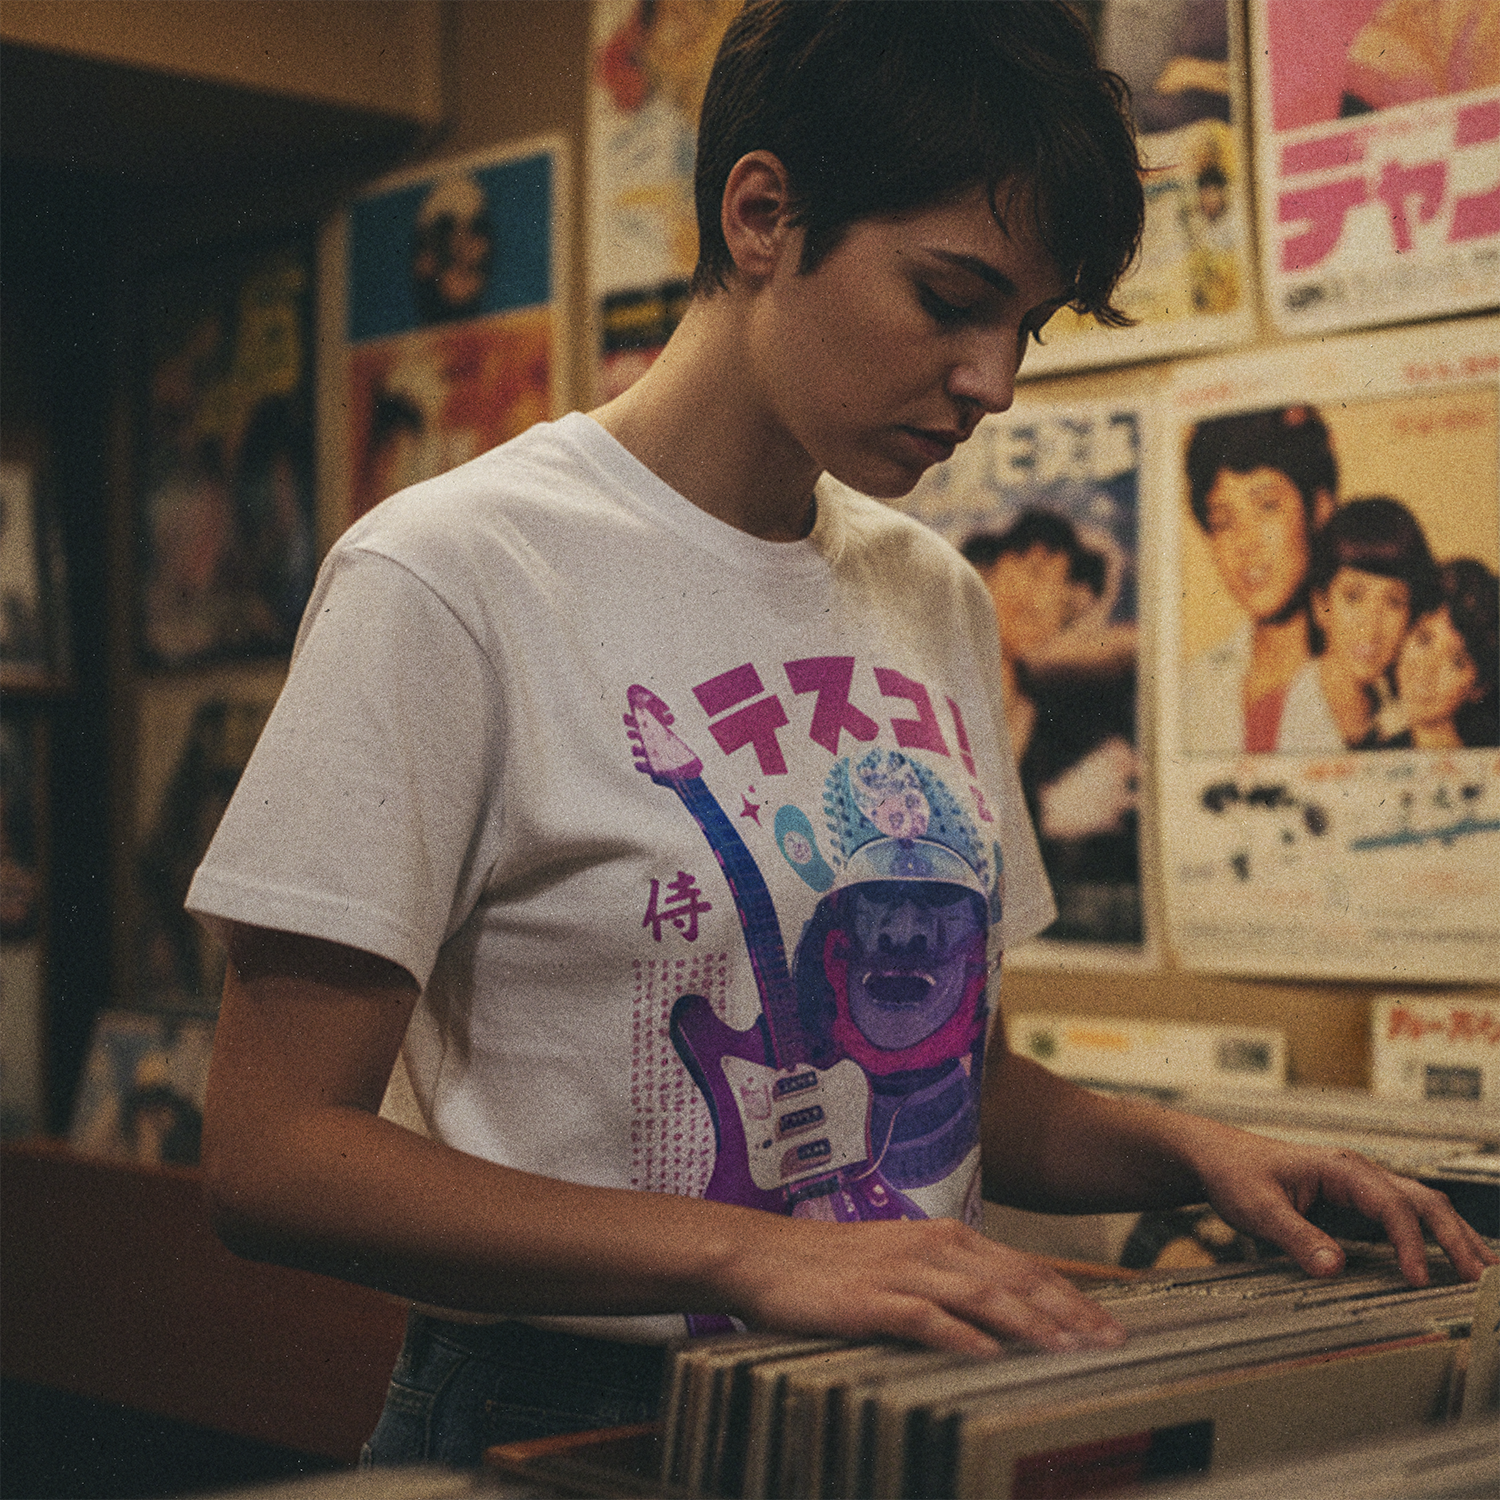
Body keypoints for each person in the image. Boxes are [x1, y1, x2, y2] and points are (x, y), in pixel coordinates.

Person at [188, 0, 1494, 1471]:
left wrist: (1192, 1149)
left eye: (1026, 326)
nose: (994, 382)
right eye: (951, 298)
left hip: (887, 1407)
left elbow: (951, 1082)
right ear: (762, 215)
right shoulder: (452, 575)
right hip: (566, 1412)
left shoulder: (930, 592)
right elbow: (273, 1156)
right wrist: (749, 1254)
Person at [961, 511, 1141, 942]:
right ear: (984, 574)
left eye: (1057, 585)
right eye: (1029, 569)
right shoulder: (934, 702)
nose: (1037, 596)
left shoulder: (1064, 729)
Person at [1181, 405, 1338, 756]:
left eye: (1267, 506)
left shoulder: (1370, 677)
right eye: (1224, 521)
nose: (1245, 543)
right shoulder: (1190, 688)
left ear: (1320, 508)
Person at [1280, 496, 1439, 751]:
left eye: (1394, 602)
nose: (1372, 626)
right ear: (1321, 606)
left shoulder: (1405, 716)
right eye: (1354, 597)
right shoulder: (1276, 715)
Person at [1382, 557, 1500, 749]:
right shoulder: (1372, 752)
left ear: (1479, 687)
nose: (1427, 669)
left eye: (1456, 661)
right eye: (1424, 639)